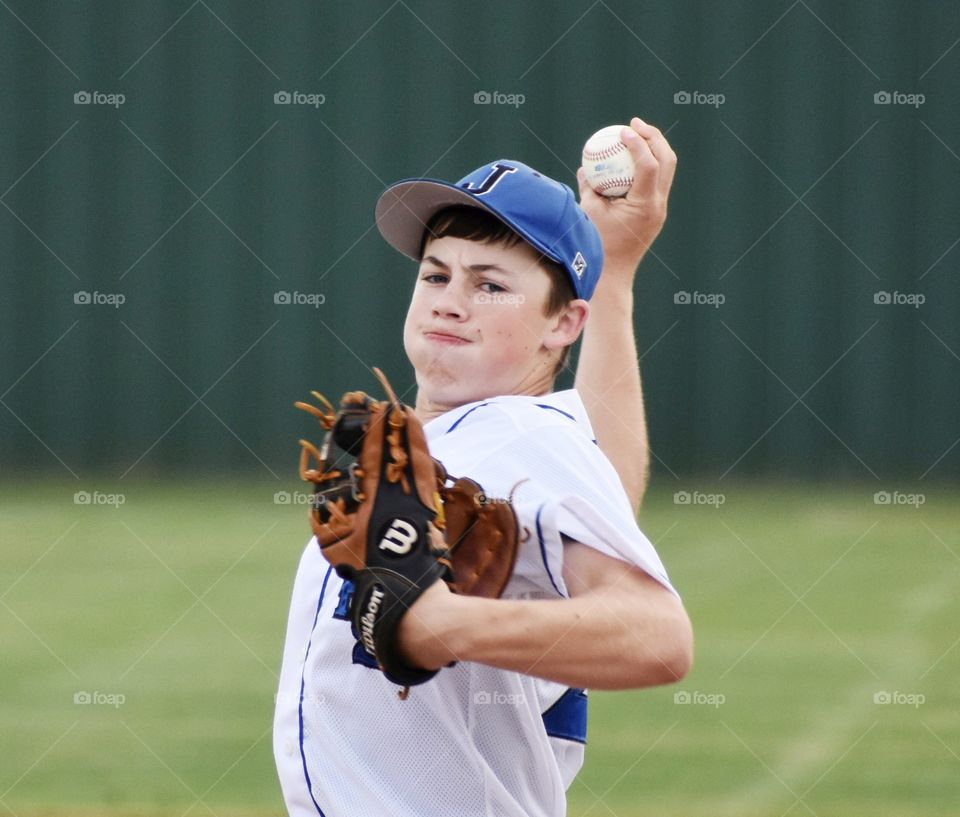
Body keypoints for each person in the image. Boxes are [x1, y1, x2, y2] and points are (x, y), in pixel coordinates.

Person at [274, 119, 690, 817]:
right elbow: (608, 489)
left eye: (489, 284)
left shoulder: (516, 440)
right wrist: (612, 270)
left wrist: (445, 623)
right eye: (436, 272)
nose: (449, 297)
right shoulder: (507, 442)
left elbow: (660, 635)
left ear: (562, 324)